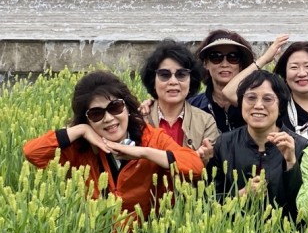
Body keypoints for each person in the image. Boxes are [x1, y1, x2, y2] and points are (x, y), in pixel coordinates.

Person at [23, 71, 204, 220]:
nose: (108, 118)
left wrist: (144, 153)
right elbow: (33, 153)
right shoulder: (80, 149)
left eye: (115, 107)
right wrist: (80, 130)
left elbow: (195, 167)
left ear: (127, 107)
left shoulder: (151, 138)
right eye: (96, 114)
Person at [207, 70, 308, 219]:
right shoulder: (224, 144)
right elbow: (210, 200)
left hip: (285, 232)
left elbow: (304, 207)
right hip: (235, 231)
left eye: (268, 99)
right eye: (251, 98)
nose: (258, 105)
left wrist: (290, 164)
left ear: (280, 106)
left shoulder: (300, 146)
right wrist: (241, 195)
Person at [223, 38, 308, 144]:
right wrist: (263, 59)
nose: (301, 73)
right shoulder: (274, 104)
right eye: (294, 67)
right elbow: (229, 92)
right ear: (284, 74)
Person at [140, 40, 219, 162]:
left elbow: (209, 168)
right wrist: (191, 158)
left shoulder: (206, 122)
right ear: (153, 81)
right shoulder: (140, 118)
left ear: (191, 81)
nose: (173, 82)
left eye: (181, 74)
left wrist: (204, 158)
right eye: (164, 75)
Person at [190, 29, 256, 133]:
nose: (225, 64)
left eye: (233, 57)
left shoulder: (255, 106)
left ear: (241, 65)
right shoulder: (192, 107)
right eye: (216, 57)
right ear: (205, 63)